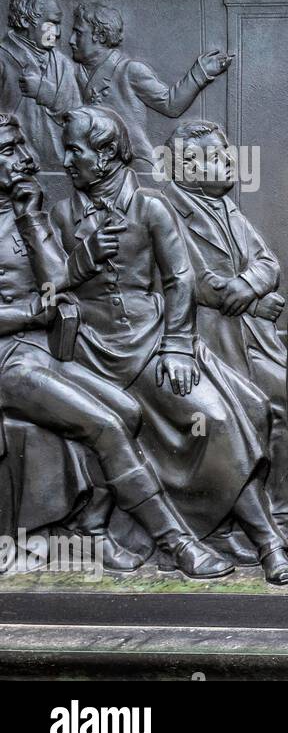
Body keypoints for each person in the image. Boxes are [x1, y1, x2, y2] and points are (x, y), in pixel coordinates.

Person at [54, 105, 288, 584]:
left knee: (229, 416)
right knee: (211, 420)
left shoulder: (150, 207)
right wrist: (81, 259)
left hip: (155, 346)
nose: (66, 160)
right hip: (94, 354)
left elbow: (180, 280)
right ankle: (256, 538)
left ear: (104, 157)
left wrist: (179, 346)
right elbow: (46, 285)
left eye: (75, 150)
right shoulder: (63, 214)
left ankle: (262, 536)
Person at [0, 111, 231, 579]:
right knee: (106, 424)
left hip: (42, 348)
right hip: (8, 359)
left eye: (21, 147)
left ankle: (90, 531)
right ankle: (178, 542)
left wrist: (30, 217)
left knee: (127, 413)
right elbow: (42, 302)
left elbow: (56, 280)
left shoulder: (27, 206)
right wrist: (31, 314)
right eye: (9, 151)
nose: (26, 159)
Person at [161, 119, 288, 568]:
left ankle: (286, 520)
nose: (231, 161)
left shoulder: (226, 208)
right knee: (240, 420)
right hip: (204, 346)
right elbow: (197, 283)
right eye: (219, 155)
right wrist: (254, 301)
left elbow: (268, 263)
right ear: (187, 166)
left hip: (250, 340)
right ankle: (239, 528)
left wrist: (250, 288)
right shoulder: (167, 210)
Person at [69, 1, 233, 173]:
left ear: (100, 36)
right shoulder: (75, 73)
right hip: (93, 169)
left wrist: (200, 73)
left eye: (78, 33)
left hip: (135, 167)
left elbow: (171, 105)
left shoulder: (129, 71)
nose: (71, 40)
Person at [0, 0, 81, 171]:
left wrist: (47, 94)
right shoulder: (3, 58)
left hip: (60, 169)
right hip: (14, 171)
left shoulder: (63, 63)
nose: (58, 33)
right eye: (51, 23)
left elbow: (79, 117)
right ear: (25, 21)